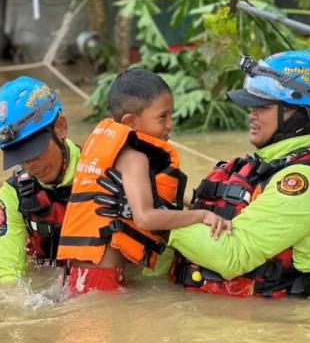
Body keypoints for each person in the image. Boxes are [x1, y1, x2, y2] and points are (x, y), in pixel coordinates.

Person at [168, 51, 310, 299]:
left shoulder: (307, 182)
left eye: (263, 106)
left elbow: (232, 256)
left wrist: (155, 220)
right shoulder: (271, 164)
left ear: (300, 112)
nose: (252, 114)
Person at [57, 68, 228, 296]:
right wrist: (203, 215)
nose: (170, 125)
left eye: (171, 116)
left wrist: (191, 203)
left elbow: (138, 197)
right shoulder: (135, 159)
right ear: (130, 122)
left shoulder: (109, 151)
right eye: (162, 117)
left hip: (78, 274)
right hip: (102, 278)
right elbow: (146, 217)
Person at [0, 76, 80, 284]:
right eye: (21, 157)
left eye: (35, 151)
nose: (31, 165)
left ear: (61, 128)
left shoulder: (102, 173)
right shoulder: (13, 195)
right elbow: (9, 273)